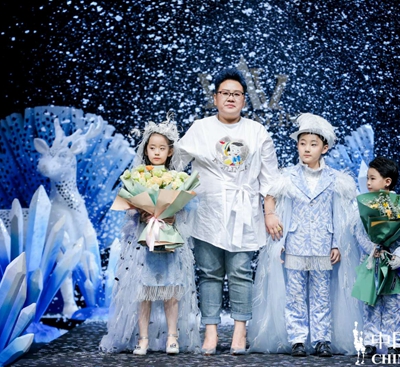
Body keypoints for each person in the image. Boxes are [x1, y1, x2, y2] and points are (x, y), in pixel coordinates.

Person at [171, 67, 280, 355]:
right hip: (207, 211)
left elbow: (270, 179)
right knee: (209, 272)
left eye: (237, 94)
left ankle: (240, 332)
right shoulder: (200, 128)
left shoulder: (257, 132)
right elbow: (175, 165)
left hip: (244, 212)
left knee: (242, 272)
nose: (230, 98)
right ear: (215, 98)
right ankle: (210, 331)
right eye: (225, 93)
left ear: (245, 100)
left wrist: (269, 213)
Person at [248, 113, 364, 357]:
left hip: (323, 244)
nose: (307, 149)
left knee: (322, 294)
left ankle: (322, 338)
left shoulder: (335, 179)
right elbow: (272, 199)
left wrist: (337, 244)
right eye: (302, 144)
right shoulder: (287, 177)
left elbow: (339, 215)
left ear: (325, 148)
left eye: (313, 144)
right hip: (295, 244)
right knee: (295, 294)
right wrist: (276, 231)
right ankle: (297, 338)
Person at [100, 115, 200, 355]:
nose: (157, 152)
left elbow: (188, 211)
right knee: (143, 291)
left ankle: (172, 337)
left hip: (170, 242)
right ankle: (142, 338)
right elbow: (128, 211)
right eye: (152, 147)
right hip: (143, 244)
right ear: (146, 149)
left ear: (170, 151)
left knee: (171, 290)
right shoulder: (136, 176)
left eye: (162, 148)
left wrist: (172, 215)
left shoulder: (179, 178)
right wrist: (141, 213)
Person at [354, 156, 400, 355]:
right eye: (367, 178)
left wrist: (399, 255)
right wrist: (372, 248)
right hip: (372, 262)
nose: (368, 183)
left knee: (395, 303)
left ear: (387, 181)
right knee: (371, 302)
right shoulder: (364, 206)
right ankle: (370, 342)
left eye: (372, 178)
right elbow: (359, 233)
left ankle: (394, 342)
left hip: (394, 265)